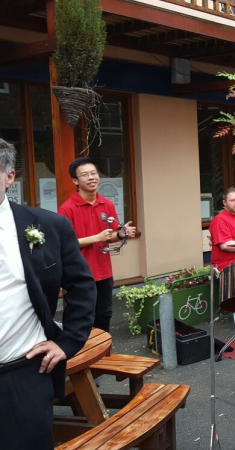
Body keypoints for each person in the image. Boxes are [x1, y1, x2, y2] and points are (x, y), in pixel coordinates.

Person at [0, 139, 97, 449]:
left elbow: (81, 286)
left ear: (9, 177)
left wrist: (67, 341)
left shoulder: (48, 226)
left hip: (22, 374)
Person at [58, 157, 136, 333]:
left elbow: (110, 236)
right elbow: (64, 244)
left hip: (104, 271)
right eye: (85, 175)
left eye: (94, 173)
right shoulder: (67, 209)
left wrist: (120, 234)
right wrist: (96, 237)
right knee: (80, 318)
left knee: (104, 315)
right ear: (75, 181)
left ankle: (103, 355)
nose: (91, 177)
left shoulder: (106, 204)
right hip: (78, 274)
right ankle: (79, 357)